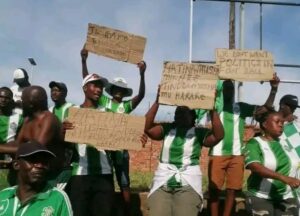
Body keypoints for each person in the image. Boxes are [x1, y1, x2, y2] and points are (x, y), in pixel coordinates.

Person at [81, 47, 146, 215]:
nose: (118, 91)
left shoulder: (126, 106)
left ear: (124, 93)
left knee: (124, 182)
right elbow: (87, 82)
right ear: (111, 91)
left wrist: (142, 75)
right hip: (105, 150)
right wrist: (84, 61)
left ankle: (125, 210)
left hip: (122, 151)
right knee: (107, 179)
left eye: (121, 90)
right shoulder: (104, 101)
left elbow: (141, 95)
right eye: (116, 88)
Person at [145, 88, 224, 216]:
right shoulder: (167, 129)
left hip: (188, 185)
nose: (179, 114)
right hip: (162, 184)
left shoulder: (199, 133)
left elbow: (218, 136)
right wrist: (158, 101)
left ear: (193, 116)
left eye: (184, 112)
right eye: (177, 112)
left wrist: (212, 109)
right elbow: (147, 127)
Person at [208, 75, 279, 216]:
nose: (229, 91)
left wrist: (273, 89)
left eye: (231, 89)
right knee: (214, 190)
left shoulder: (240, 107)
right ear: (221, 91)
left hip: (237, 155)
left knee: (232, 190)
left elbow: (265, 109)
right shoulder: (214, 106)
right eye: (226, 88)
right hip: (217, 153)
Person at [64, 73, 115, 216]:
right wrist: (63, 132)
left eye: (101, 87)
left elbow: (119, 138)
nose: (99, 89)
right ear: (85, 88)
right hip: (80, 174)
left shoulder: (107, 113)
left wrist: (134, 137)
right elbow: (65, 144)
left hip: (104, 174)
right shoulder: (73, 113)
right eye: (95, 85)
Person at [0, 86, 66, 186]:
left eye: (23, 100)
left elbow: (35, 150)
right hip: (35, 173)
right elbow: (17, 143)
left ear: (31, 104)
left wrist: (1, 149)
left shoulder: (49, 119)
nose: (21, 103)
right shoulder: (28, 119)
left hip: (52, 176)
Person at [243, 107, 300, 216]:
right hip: (260, 196)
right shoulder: (254, 143)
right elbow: (254, 166)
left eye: (282, 122)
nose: (281, 125)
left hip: (286, 197)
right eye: (277, 122)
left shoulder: (286, 143)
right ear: (264, 124)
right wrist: (284, 178)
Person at [0, 140, 73, 215]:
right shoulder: (3, 196)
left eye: (44, 162)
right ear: (16, 165)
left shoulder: (58, 198)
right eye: (33, 160)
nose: (40, 166)